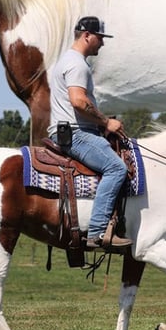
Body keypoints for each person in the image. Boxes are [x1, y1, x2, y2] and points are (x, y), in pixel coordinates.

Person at [48, 16, 132, 250]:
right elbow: (78, 101)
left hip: (72, 130)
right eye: (100, 38)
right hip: (76, 133)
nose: (102, 44)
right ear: (87, 35)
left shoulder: (67, 60)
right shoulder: (77, 64)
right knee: (116, 168)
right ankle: (97, 232)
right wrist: (106, 123)